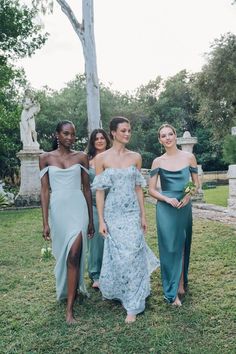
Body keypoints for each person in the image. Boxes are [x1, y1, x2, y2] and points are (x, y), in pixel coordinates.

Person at [93, 116, 159, 324]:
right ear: (113, 132)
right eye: (123, 131)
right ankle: (123, 292)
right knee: (119, 256)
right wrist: (102, 221)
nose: (127, 134)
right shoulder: (101, 159)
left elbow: (139, 188)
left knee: (133, 253)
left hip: (131, 213)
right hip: (112, 213)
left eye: (129, 130)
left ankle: (133, 301)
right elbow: (100, 193)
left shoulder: (136, 157)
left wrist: (143, 214)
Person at [39, 120, 94, 324]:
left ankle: (69, 310)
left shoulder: (81, 157)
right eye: (66, 133)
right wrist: (45, 222)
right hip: (59, 211)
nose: (70, 138)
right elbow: (44, 191)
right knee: (67, 254)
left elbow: (87, 189)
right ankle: (71, 288)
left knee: (74, 253)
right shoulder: (45, 158)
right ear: (57, 135)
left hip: (78, 208)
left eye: (72, 134)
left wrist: (90, 220)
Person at [148, 123, 199, 306]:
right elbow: (151, 190)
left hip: (183, 206)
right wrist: (166, 199)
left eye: (170, 134)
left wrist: (188, 195)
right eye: (163, 135)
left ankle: (181, 284)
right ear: (160, 140)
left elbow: (195, 182)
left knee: (183, 243)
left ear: (175, 136)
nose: (168, 137)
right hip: (166, 207)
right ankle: (171, 291)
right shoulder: (158, 161)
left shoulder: (189, 157)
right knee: (170, 247)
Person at [87, 128, 111, 289]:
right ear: (93, 142)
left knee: (111, 238)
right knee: (96, 239)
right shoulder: (87, 160)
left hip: (112, 203)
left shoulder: (113, 157)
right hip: (94, 204)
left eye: (102, 138)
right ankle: (96, 274)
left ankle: (111, 271)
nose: (100, 140)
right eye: (96, 138)